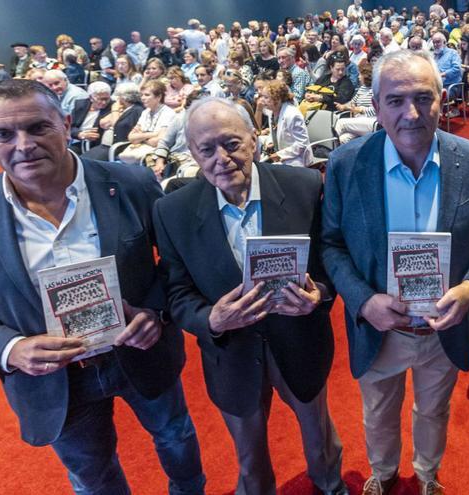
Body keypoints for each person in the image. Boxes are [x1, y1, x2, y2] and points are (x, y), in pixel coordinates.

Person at [0, 79, 205, 494]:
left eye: (38, 127)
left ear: (66, 123)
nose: (23, 145)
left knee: (175, 439)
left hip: (143, 354)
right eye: (3, 134)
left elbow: (178, 265)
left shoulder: (132, 184)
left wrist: (156, 313)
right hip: (55, 380)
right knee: (93, 476)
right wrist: (10, 348)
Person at [321, 49, 469, 495]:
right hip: (380, 329)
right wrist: (363, 301)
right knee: (379, 413)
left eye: (424, 98)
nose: (411, 113)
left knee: (433, 412)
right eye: (396, 101)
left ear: (443, 99)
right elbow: (331, 243)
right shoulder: (347, 163)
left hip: (444, 328)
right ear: (376, 107)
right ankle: (382, 475)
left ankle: (426, 475)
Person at [153, 97, 346, 495]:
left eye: (232, 144)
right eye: (206, 149)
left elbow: (330, 260)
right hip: (232, 357)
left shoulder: (304, 187)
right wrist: (211, 320)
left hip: (300, 344)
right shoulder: (171, 211)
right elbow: (176, 292)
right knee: (250, 460)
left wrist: (320, 295)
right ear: (192, 153)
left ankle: (331, 486)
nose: (221, 158)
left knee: (320, 441)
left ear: (254, 140)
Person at [258, 79, 313, 167]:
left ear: (277, 98)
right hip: (280, 153)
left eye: (266, 97)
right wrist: (270, 142)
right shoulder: (271, 111)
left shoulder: (292, 115)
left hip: (296, 158)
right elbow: (272, 133)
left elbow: (302, 145)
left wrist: (280, 154)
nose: (262, 100)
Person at [119, 80, 176, 164]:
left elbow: (159, 141)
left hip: (154, 156)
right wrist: (153, 134)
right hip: (138, 153)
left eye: (147, 95)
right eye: (142, 95)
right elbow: (131, 137)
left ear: (159, 97)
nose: (142, 98)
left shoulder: (168, 113)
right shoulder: (145, 112)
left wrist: (141, 138)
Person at [333, 62, 376, 144]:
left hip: (371, 121)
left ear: (366, 76)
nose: (358, 77)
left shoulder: (375, 90)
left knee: (341, 123)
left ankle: (326, 147)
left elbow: (375, 110)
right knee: (343, 139)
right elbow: (352, 102)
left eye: (360, 74)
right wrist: (343, 106)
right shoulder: (362, 88)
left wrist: (358, 109)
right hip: (358, 121)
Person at [70, 81, 113, 153]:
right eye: (100, 99)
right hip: (80, 141)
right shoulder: (80, 105)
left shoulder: (113, 107)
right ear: (90, 97)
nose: (104, 102)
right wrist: (80, 134)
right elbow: (69, 127)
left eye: (106, 99)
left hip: (97, 144)